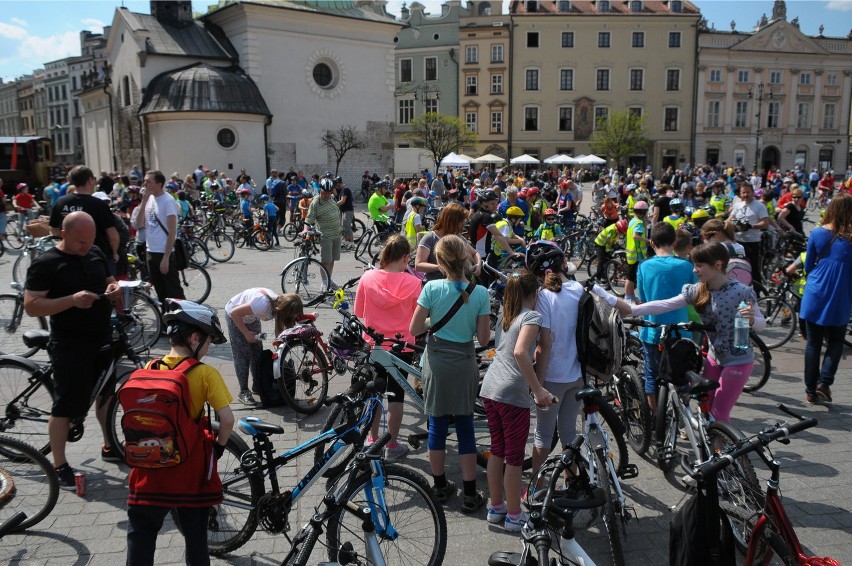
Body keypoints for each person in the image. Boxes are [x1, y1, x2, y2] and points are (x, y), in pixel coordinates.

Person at [125, 299, 234, 566]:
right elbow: (228, 420)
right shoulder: (205, 373)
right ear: (195, 337)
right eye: (208, 342)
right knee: (196, 538)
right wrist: (218, 448)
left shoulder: (149, 370)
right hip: (188, 473)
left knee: (140, 536)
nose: (208, 348)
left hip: (149, 469)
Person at [24, 212, 123, 488]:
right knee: (65, 406)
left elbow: (106, 278)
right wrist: (71, 300)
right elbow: (31, 305)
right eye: (80, 241)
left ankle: (109, 444)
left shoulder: (94, 252)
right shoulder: (46, 263)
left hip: (101, 336)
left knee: (106, 394)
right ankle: (59, 464)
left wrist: (112, 286)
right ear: (63, 234)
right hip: (70, 342)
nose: (86, 245)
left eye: (90, 239)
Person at [616, 242, 765, 423]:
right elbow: (665, 304)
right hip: (714, 357)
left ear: (718, 265)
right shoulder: (699, 290)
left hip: (739, 360)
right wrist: (630, 310)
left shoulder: (742, 292)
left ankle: (720, 449)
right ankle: (709, 445)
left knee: (719, 413)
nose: (694, 270)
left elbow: (761, 325)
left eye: (699, 265)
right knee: (705, 406)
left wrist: (751, 320)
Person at [410, 234, 491, 513]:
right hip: (464, 362)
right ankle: (470, 492)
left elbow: (414, 329)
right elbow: (482, 338)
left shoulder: (432, 289)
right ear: (467, 259)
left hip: (436, 363)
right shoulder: (480, 293)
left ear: (440, 261)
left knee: (436, 426)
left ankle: (440, 485)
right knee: (466, 428)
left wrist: (435, 320)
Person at [481, 268, 552, 532]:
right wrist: (538, 389)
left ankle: (496, 507)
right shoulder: (532, 316)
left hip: (490, 389)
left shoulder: (505, 316)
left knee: (497, 449)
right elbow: (522, 352)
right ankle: (513, 515)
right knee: (513, 457)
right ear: (534, 294)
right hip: (511, 393)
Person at [354, 235, 422, 460]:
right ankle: (391, 445)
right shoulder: (414, 283)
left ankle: (372, 440)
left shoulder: (367, 278)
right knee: (396, 395)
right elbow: (418, 317)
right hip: (402, 345)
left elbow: (359, 312)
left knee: (374, 392)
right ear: (405, 258)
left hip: (374, 344)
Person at [525, 241, 583, 478]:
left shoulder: (544, 297)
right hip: (578, 373)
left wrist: (537, 385)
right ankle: (573, 482)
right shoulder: (580, 289)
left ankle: (536, 487)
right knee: (569, 432)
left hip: (553, 375)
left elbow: (544, 345)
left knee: (543, 435)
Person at [635, 223, 697, 410]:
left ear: (652, 242)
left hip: (652, 330)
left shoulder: (644, 266)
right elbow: (695, 297)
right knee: (681, 378)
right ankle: (684, 418)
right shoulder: (687, 266)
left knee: (651, 376)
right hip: (680, 333)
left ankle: (655, 419)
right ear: (674, 241)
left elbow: (644, 299)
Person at [799, 193, 852, 404]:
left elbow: (808, 265)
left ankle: (811, 391)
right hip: (841, 293)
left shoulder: (817, 233)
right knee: (836, 340)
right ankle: (824, 382)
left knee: (813, 343)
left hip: (815, 291)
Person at [225, 289, 304, 405]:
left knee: (257, 352)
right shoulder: (262, 304)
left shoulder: (279, 305)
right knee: (242, 354)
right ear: (286, 310)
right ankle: (244, 391)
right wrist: (246, 333)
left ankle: (258, 384)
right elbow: (234, 313)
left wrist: (281, 347)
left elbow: (279, 330)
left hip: (251, 316)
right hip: (235, 315)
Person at [49, 165, 120, 276]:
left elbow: (53, 228)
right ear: (90, 180)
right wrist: (115, 252)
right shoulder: (99, 205)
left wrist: (66, 242)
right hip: (97, 257)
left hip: (68, 257)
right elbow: (112, 234)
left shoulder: (61, 202)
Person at [136, 170, 186, 308]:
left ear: (159, 184)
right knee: (161, 292)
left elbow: (172, 232)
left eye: (148, 181)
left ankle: (184, 324)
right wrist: (144, 201)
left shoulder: (168, 200)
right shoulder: (149, 198)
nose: (145, 183)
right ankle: (166, 324)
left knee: (174, 293)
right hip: (150, 251)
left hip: (165, 253)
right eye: (145, 181)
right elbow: (138, 224)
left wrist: (166, 258)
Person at [416, 203, 481, 284]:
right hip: (437, 286)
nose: (462, 226)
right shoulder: (430, 238)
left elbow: (475, 253)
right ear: (452, 221)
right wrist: (441, 267)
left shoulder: (458, 237)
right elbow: (418, 265)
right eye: (461, 222)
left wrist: (478, 265)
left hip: (458, 286)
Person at [305, 179, 343, 285]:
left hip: (336, 234)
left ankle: (329, 279)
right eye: (324, 192)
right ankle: (324, 283)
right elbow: (309, 219)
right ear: (320, 191)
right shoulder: (316, 202)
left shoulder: (332, 199)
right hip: (326, 236)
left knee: (332, 260)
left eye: (328, 192)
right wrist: (305, 229)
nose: (326, 195)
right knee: (325, 261)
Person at [730, 183, 769, 285]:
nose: (746, 194)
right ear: (740, 194)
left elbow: (765, 224)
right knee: (738, 267)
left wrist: (751, 226)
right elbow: (730, 219)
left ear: (752, 192)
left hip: (752, 243)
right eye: (743, 192)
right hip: (738, 242)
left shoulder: (760, 206)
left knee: (753, 269)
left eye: (748, 192)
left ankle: (758, 294)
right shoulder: (738, 206)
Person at [337, 178, 355, 250]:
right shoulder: (343, 190)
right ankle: (346, 243)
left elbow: (342, 201)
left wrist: (334, 204)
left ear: (339, 184)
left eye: (337, 185)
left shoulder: (345, 189)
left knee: (347, 228)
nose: (336, 187)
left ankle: (352, 244)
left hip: (348, 211)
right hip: (345, 210)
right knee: (344, 228)